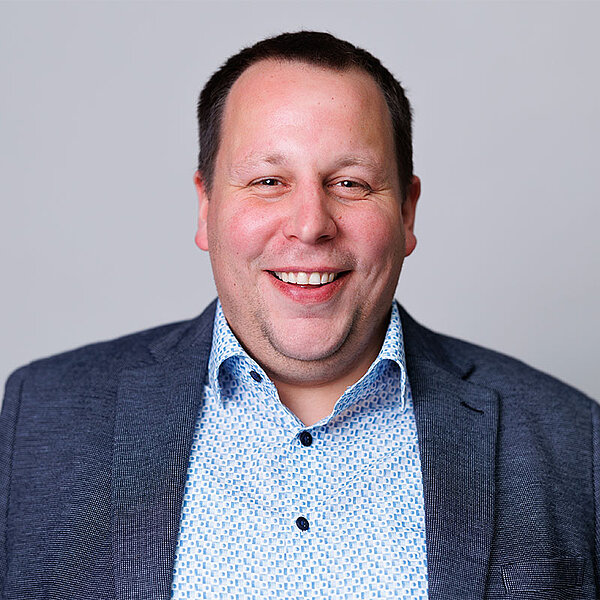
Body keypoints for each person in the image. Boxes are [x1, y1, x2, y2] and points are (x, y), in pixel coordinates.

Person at [0, 31, 597, 600]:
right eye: (268, 180)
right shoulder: (40, 419)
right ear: (206, 207)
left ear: (406, 213)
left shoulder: (573, 442)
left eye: (350, 183)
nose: (311, 225)